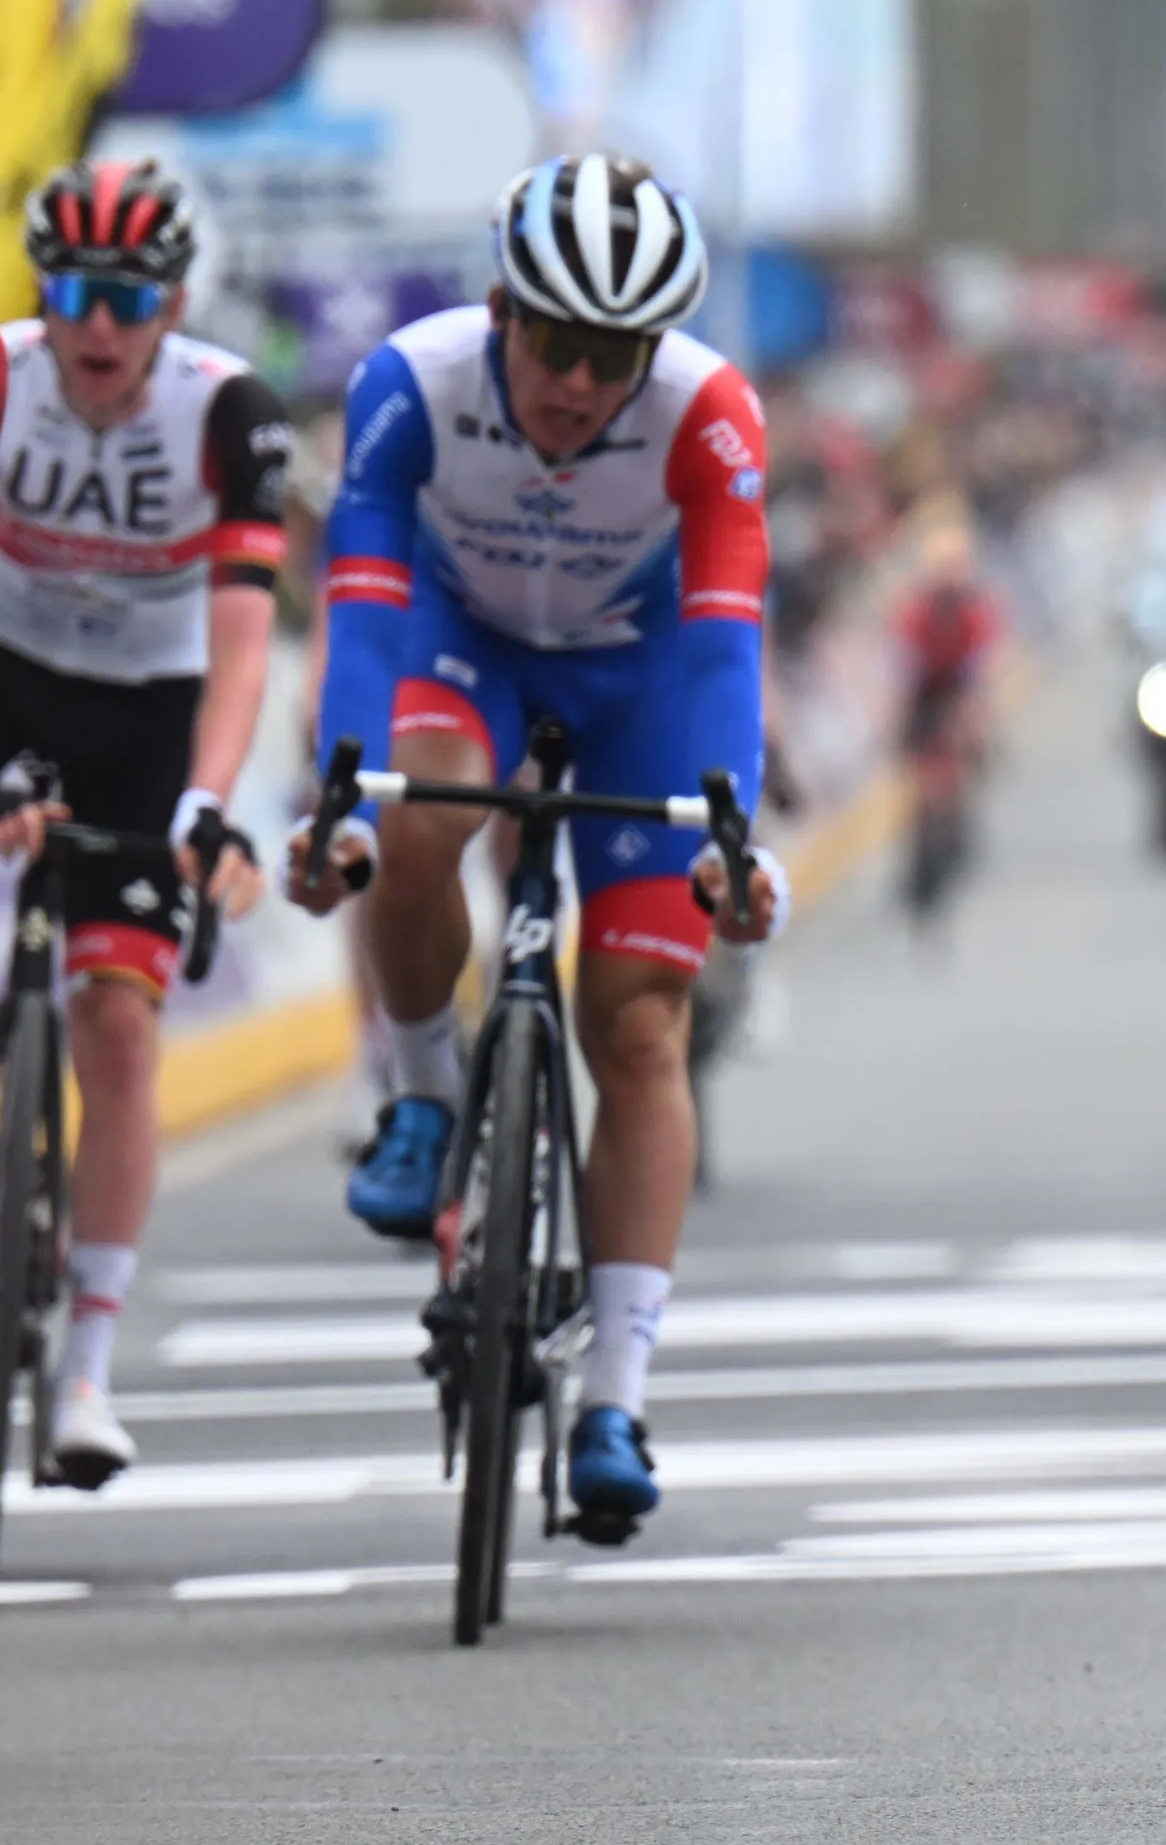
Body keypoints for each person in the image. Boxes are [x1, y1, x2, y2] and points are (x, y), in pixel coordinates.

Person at [282, 154, 785, 1543]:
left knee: (640, 1026)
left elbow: (726, 644)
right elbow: (362, 598)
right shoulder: (409, 384)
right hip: (469, 647)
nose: (576, 382)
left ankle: (617, 1394)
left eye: (614, 356)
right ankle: (424, 1099)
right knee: (417, 818)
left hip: (641, 683)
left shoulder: (711, 416)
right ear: (500, 309)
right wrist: (337, 796)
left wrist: (728, 827)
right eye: (555, 341)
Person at [0, 164, 286, 1490]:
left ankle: (88, 1365)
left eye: (126, 297)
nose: (97, 325)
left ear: (172, 302)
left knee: (117, 1021)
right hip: (3, 679)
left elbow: (243, 638)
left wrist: (207, 802)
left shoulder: (228, 411)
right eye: (72, 294)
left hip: (151, 716)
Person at [891, 506, 1000, 935]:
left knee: (961, 764)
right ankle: (919, 861)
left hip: (957, 692)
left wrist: (973, 715)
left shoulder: (975, 610)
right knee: (924, 782)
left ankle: (956, 836)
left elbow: (979, 667)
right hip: (925, 695)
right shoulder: (914, 611)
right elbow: (903, 668)